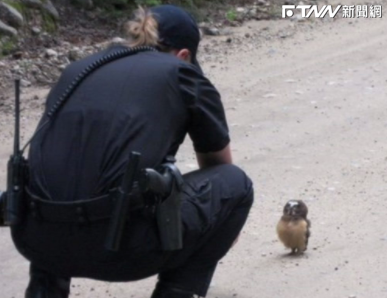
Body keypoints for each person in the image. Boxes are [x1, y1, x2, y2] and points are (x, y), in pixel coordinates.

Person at [10, 5, 254, 298]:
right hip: (122, 249)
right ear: (184, 55)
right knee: (236, 184)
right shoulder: (182, 73)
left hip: (36, 241)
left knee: (65, 181)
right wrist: (221, 229)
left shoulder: (77, 70)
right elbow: (219, 166)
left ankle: (44, 292)